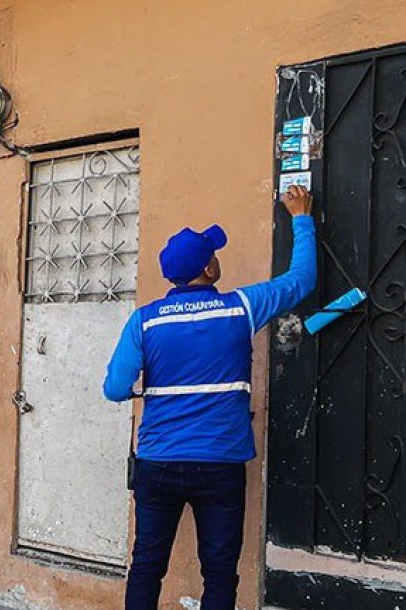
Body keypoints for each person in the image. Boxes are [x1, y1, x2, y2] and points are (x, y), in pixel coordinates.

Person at [103, 185, 316, 610]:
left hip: (158, 464)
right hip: (220, 464)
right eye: (213, 254)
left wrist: (151, 388)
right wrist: (301, 217)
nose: (217, 258)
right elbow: (301, 281)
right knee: (219, 571)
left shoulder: (144, 321)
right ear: (208, 269)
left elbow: (113, 389)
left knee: (146, 564)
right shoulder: (241, 308)